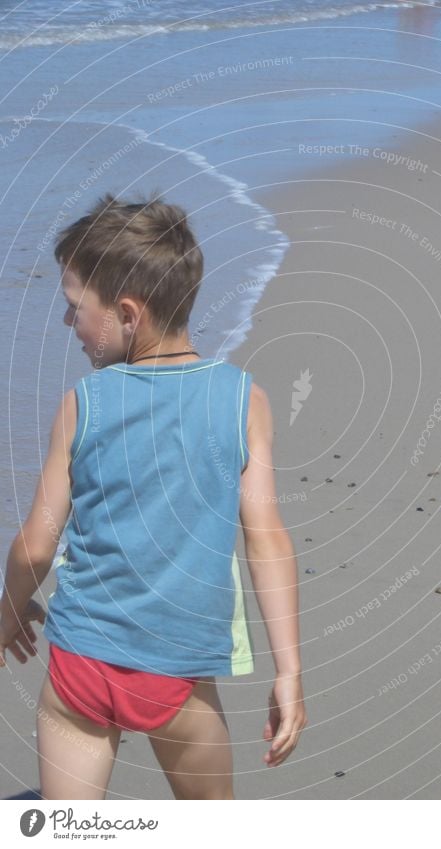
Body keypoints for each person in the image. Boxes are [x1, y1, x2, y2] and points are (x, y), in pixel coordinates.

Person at [0, 193, 307, 800]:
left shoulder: (81, 406)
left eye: (75, 309)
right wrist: (290, 670)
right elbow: (267, 539)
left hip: (80, 669)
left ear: (127, 313)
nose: (69, 325)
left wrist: (7, 613)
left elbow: (37, 546)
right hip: (179, 678)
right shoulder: (242, 401)